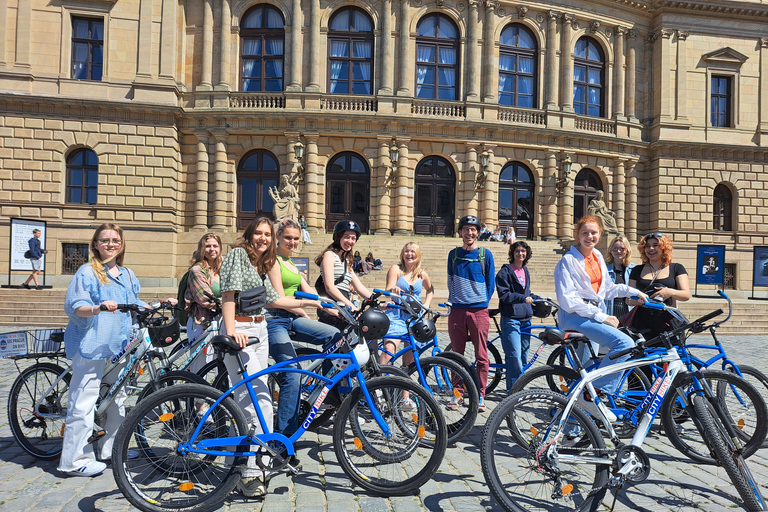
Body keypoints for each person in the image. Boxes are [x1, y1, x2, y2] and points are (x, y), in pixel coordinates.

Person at [219, 216, 322, 497]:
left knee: (246, 399)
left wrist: (314, 301)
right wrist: (231, 332)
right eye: (259, 233)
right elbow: (228, 296)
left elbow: (274, 300)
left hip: (259, 327)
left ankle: (235, 465)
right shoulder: (238, 255)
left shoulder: (263, 263)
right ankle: (250, 474)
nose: (263, 238)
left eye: (267, 234)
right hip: (239, 327)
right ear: (250, 234)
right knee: (257, 401)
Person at [58, 224, 149, 477]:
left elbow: (134, 301)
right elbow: (76, 306)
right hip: (91, 344)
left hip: (119, 344)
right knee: (83, 401)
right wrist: (97, 308)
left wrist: (156, 304)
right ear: (95, 244)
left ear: (122, 244)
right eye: (105, 240)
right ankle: (74, 460)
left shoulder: (127, 274)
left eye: (115, 240)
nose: (111, 244)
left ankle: (110, 449)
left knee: (116, 398)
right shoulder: (87, 272)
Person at [554, 215, 647, 422]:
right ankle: (595, 394)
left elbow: (606, 289)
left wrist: (632, 291)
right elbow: (568, 300)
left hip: (591, 316)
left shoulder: (596, 256)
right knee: (624, 343)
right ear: (577, 234)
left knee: (586, 373)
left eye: (594, 233)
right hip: (575, 316)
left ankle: (572, 430)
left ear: (600, 235)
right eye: (585, 232)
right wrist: (601, 316)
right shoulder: (567, 261)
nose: (589, 236)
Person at [266, 219, 342, 437]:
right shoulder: (273, 261)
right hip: (274, 320)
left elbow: (310, 293)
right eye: (288, 237)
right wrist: (309, 305)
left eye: (296, 238)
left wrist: (338, 306)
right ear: (278, 236)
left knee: (335, 336)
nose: (292, 242)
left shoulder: (292, 263)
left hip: (292, 318)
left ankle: (329, 390)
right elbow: (280, 298)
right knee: (292, 374)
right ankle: (284, 436)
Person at [447, 215, 495, 412]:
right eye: (466, 229)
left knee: (482, 355)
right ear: (460, 232)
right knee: (456, 355)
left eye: (473, 229)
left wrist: (480, 302)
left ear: (478, 232)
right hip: (457, 310)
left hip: (478, 311)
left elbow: (491, 284)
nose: (470, 233)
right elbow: (449, 278)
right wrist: (457, 299)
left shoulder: (485, 254)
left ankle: (480, 394)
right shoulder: (454, 254)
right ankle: (458, 393)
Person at [627, 232, 690, 340]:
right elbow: (628, 299)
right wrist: (638, 301)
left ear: (664, 247)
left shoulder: (677, 268)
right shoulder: (637, 270)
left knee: (673, 355)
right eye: (647, 246)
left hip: (670, 321)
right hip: (642, 323)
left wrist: (670, 292)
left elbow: (686, 295)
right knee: (645, 356)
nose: (651, 249)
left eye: (655, 245)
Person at [495, 241, 540, 393]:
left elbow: (526, 292)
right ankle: (513, 393)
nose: (520, 254)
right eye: (517, 251)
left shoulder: (525, 270)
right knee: (514, 357)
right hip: (511, 319)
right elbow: (504, 295)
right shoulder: (505, 272)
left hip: (526, 319)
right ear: (512, 253)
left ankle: (518, 388)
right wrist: (521, 298)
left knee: (523, 357)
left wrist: (536, 298)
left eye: (523, 251)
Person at [380, 242, 435, 366]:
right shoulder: (396, 269)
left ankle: (406, 384)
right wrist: (393, 289)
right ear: (402, 254)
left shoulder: (422, 274)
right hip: (397, 314)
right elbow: (387, 290)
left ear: (418, 255)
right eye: (406, 251)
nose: (409, 254)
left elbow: (430, 290)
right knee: (389, 349)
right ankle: (379, 380)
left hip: (415, 316)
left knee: (410, 360)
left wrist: (426, 305)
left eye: (412, 251)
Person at [314, 220, 373, 330]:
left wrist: (375, 300)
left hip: (344, 304)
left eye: (353, 238)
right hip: (332, 306)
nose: (350, 241)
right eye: (346, 237)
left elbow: (359, 287)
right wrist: (351, 306)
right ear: (338, 237)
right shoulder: (329, 255)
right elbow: (329, 287)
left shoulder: (346, 261)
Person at [184, 232, 223, 373]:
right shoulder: (197, 270)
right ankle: (194, 394)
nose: (212, 249)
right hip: (201, 322)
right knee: (200, 367)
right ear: (202, 248)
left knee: (220, 364)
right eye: (208, 246)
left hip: (221, 322)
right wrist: (232, 304)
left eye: (215, 246)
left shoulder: (223, 268)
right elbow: (205, 299)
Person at [604, 235, 636, 320]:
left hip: (629, 311)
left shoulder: (634, 269)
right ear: (610, 250)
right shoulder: (603, 269)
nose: (618, 251)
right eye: (615, 249)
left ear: (627, 250)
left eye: (622, 248)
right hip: (608, 310)